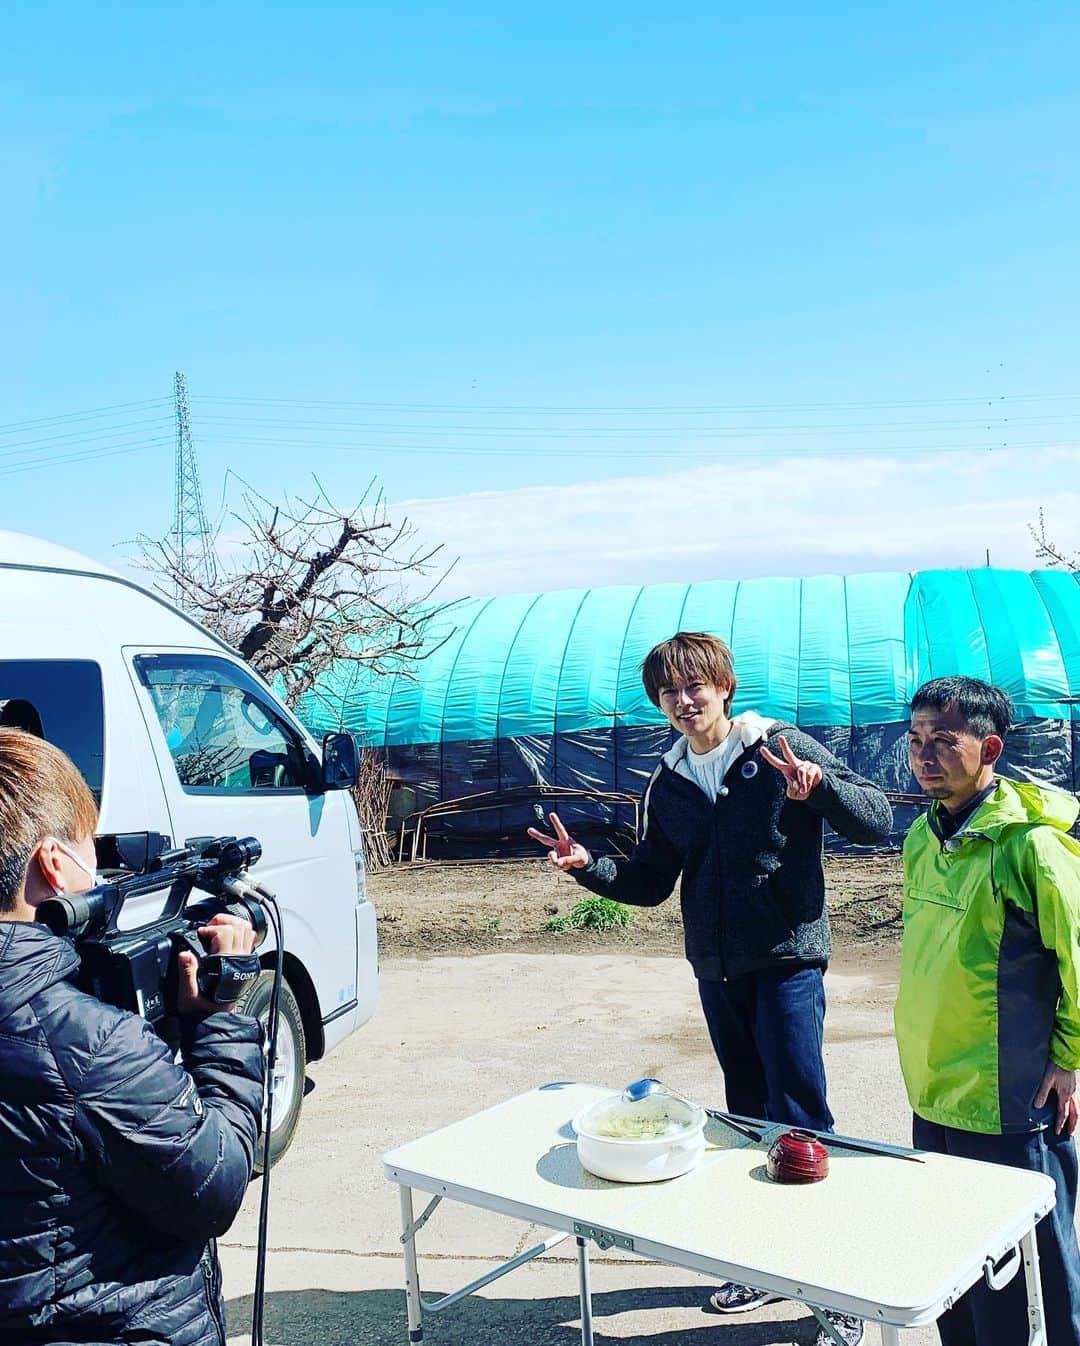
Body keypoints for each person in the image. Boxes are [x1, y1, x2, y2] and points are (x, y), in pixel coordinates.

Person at [529, 631, 892, 1346]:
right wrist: (587, 866)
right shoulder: (668, 782)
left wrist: (819, 792)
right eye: (669, 692)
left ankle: (835, 1283)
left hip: (787, 959)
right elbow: (651, 881)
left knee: (799, 1116)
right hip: (716, 968)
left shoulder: (777, 748)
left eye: (696, 686)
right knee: (746, 1116)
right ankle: (762, 1263)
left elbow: (877, 818)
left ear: (725, 686)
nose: (684, 701)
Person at [0, 727, 265, 1345]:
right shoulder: (87, 1044)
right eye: (90, 844)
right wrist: (219, 1021)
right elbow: (214, 1185)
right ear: (55, 863)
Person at [896, 676, 1080, 1346]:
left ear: (990, 746)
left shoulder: (1032, 846)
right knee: (953, 1257)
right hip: (933, 1087)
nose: (925, 754)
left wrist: (1069, 1060)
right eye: (916, 740)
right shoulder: (922, 835)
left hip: (1007, 1095)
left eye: (944, 740)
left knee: (1035, 1265)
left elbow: (1078, 960)